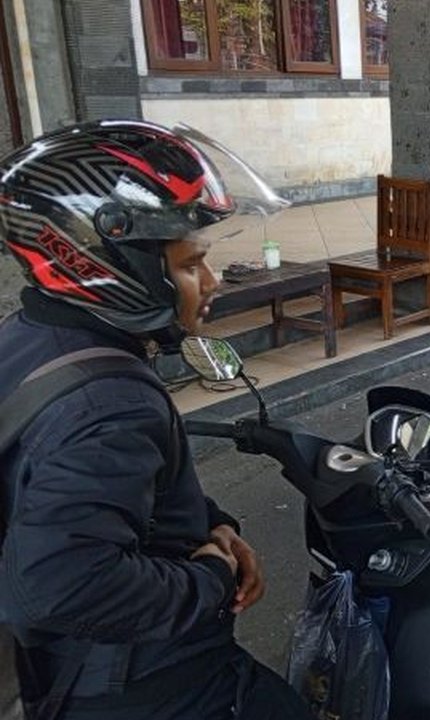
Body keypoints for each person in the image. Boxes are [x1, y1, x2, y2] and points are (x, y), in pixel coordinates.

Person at [0, 121, 312, 719]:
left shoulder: (33, 338)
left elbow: (85, 493)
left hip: (66, 676)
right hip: (147, 684)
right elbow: (57, 585)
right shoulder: (109, 402)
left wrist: (208, 526)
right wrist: (213, 581)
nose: (212, 281)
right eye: (193, 263)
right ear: (109, 262)